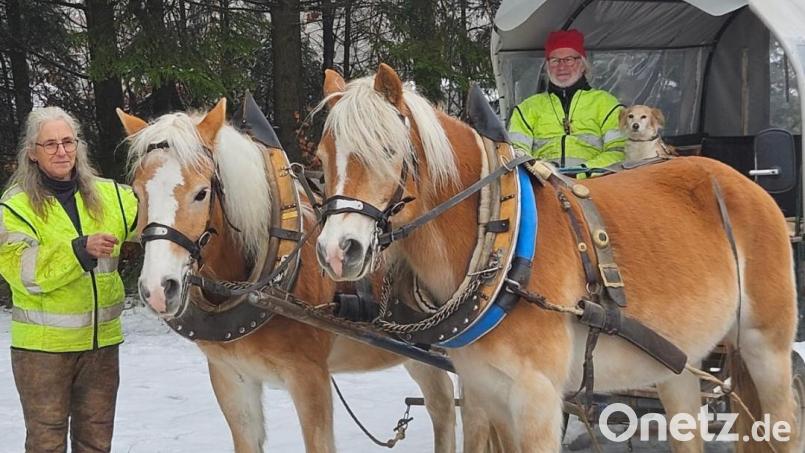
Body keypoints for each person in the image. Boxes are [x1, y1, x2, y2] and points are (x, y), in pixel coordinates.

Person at [0, 106, 138, 452]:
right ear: (32, 152)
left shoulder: (113, 197)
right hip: (44, 352)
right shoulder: (15, 207)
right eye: (50, 144)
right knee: (47, 443)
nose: (62, 151)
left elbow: (160, 217)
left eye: (68, 142)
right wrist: (78, 250)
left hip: (101, 347)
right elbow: (21, 270)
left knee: (96, 441)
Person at [509, 29, 626, 170]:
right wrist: (542, 172)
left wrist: (583, 170)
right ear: (547, 67)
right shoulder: (527, 108)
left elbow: (619, 151)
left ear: (583, 64)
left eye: (569, 60)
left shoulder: (607, 104)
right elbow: (516, 152)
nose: (561, 66)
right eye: (555, 60)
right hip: (543, 185)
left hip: (596, 183)